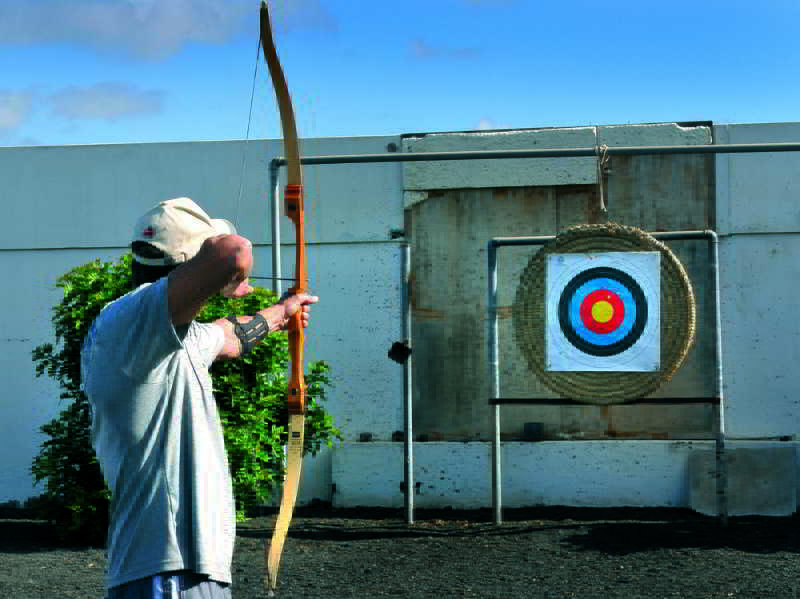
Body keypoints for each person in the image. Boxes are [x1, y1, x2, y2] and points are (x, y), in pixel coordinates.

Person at [81, 197, 318, 599]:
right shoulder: (131, 320)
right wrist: (231, 279)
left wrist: (283, 312)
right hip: (168, 571)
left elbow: (229, 336)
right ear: (193, 264)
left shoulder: (166, 336)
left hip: (172, 571)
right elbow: (234, 253)